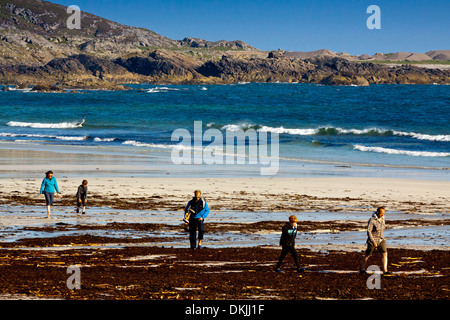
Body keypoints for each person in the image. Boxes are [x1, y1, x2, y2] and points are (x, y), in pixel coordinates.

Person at [360, 207, 391, 275]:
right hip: (372, 240)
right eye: (381, 213)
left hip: (381, 239)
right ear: (377, 212)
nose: (383, 214)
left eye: (383, 213)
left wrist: (382, 237)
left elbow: (381, 229)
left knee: (384, 253)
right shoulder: (372, 220)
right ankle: (362, 268)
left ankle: (385, 270)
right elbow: (369, 231)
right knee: (368, 254)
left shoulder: (383, 219)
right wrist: (373, 241)